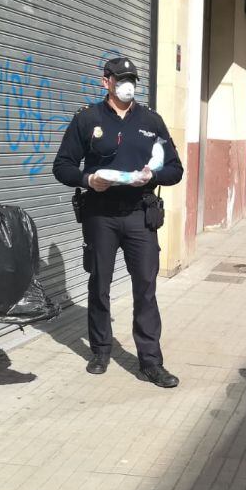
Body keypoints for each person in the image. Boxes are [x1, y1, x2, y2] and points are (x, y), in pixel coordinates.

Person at [52, 56, 185, 388]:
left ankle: (150, 362)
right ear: (105, 81)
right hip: (100, 216)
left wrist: (152, 174)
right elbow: (62, 165)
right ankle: (100, 350)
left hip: (140, 215)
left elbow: (175, 169)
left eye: (133, 79)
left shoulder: (151, 121)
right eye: (121, 78)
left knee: (146, 289)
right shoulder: (88, 119)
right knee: (99, 286)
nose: (128, 84)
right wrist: (88, 179)